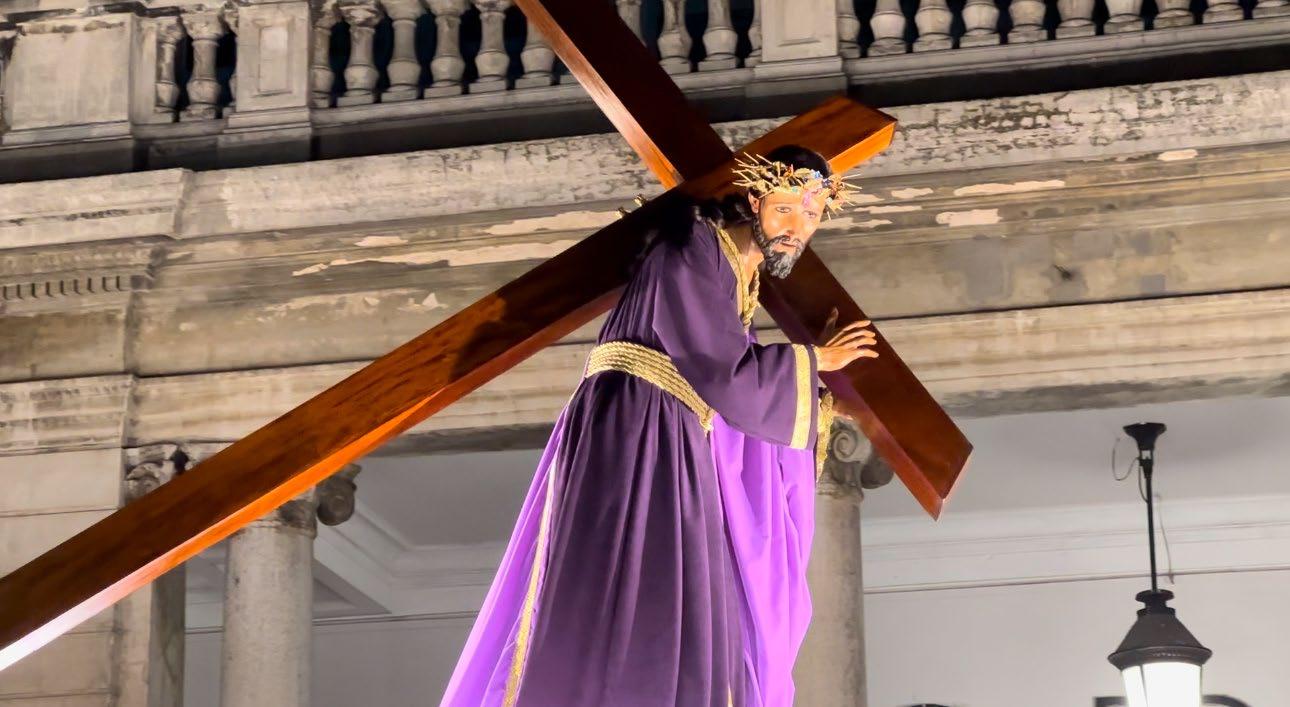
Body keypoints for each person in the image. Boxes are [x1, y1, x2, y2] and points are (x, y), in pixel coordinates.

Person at [440, 145, 878, 707]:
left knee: (684, 598)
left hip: (674, 433)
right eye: (786, 209)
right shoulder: (695, 244)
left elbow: (732, 380)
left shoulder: (739, 281)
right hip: (635, 425)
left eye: (811, 215)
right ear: (754, 200)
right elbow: (722, 370)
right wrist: (815, 360)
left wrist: (814, 400)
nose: (797, 227)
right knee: (624, 578)